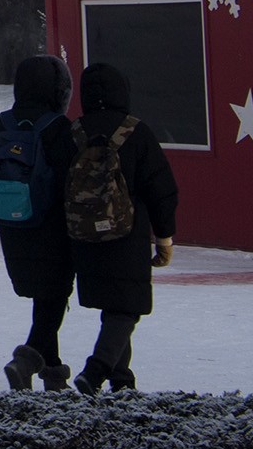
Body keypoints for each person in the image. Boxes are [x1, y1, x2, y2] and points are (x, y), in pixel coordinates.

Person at [0, 55, 82, 390]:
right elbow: (69, 182)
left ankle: (53, 374)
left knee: (43, 294)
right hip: (51, 225)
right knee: (54, 294)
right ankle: (27, 359)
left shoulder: (1, 123)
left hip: (13, 224)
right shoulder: (58, 127)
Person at [64, 61, 178, 394]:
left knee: (113, 307)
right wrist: (165, 237)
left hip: (84, 237)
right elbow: (162, 190)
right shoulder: (136, 132)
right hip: (128, 236)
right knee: (127, 307)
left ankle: (122, 381)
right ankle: (95, 370)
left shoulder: (74, 132)